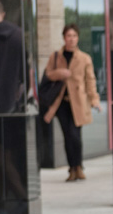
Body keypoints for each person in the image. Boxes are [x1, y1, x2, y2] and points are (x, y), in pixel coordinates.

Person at [43, 24, 102, 181]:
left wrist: (95, 100)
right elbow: (48, 75)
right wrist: (59, 73)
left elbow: (90, 81)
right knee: (67, 136)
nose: (71, 39)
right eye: (68, 36)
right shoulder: (56, 56)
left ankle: (79, 166)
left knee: (75, 136)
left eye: (74, 36)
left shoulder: (84, 58)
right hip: (61, 103)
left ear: (78, 38)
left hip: (78, 102)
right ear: (64, 38)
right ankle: (72, 169)